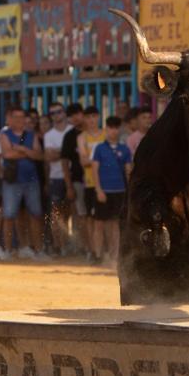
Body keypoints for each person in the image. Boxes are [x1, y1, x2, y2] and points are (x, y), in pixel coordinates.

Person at [0, 107, 43, 260]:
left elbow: (38, 155)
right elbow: (7, 154)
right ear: (9, 118)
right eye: (16, 117)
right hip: (12, 181)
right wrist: (28, 152)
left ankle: (38, 250)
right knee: (9, 215)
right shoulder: (4, 135)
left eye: (22, 117)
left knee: (35, 214)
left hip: (31, 180)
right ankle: (8, 250)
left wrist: (21, 149)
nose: (19, 120)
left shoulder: (31, 134)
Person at [91, 116, 133, 268]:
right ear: (106, 129)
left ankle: (113, 256)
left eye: (116, 128)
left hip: (119, 190)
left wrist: (130, 191)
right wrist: (98, 190)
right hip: (104, 190)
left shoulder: (125, 149)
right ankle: (97, 254)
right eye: (110, 127)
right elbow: (95, 170)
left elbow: (128, 171)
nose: (113, 131)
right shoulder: (99, 148)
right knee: (99, 224)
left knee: (115, 224)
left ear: (119, 130)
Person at [77, 107, 106, 263]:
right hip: (90, 182)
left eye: (94, 116)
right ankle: (93, 250)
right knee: (91, 219)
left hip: (108, 182)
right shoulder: (82, 137)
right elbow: (83, 161)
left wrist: (93, 160)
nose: (91, 120)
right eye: (88, 117)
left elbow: (88, 160)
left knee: (107, 220)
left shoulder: (106, 134)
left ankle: (103, 251)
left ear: (98, 117)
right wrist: (103, 159)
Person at [43, 103, 71, 256]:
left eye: (59, 112)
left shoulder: (72, 131)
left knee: (71, 212)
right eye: (53, 113)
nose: (56, 115)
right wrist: (65, 153)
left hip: (72, 176)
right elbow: (48, 156)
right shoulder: (49, 135)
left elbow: (57, 155)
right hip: (55, 177)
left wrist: (58, 153)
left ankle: (67, 244)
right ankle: (58, 246)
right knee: (56, 213)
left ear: (64, 113)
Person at [59, 103, 87, 254]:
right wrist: (69, 186)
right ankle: (82, 247)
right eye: (71, 116)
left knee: (95, 218)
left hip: (96, 182)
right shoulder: (69, 137)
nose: (75, 118)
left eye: (77, 113)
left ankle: (94, 248)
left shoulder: (95, 132)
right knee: (80, 216)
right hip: (77, 180)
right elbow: (64, 163)